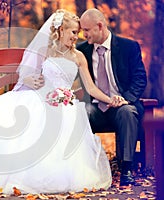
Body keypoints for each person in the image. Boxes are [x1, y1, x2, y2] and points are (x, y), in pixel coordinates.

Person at [0, 9, 114, 194]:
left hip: (66, 106)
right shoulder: (45, 51)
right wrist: (27, 80)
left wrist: (111, 99)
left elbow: (91, 88)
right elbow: (26, 75)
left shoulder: (78, 56)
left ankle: (59, 177)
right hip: (41, 100)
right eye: (73, 32)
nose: (77, 37)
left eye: (78, 32)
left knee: (67, 124)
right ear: (61, 30)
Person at [77, 8, 147, 186]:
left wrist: (126, 99)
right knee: (82, 111)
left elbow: (140, 78)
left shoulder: (128, 47)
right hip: (95, 108)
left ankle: (126, 170)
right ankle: (85, 169)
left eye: (86, 29)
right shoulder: (81, 50)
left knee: (128, 112)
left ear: (99, 26)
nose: (83, 34)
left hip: (121, 106)